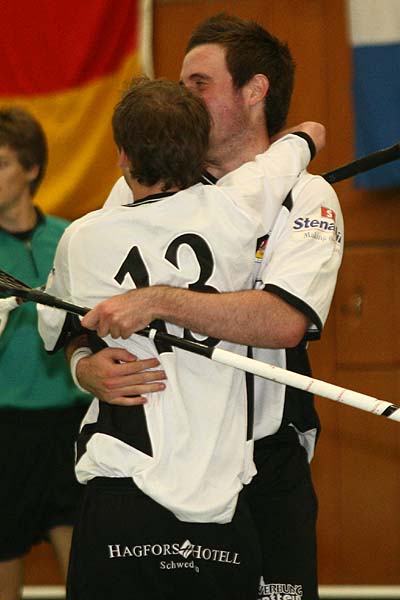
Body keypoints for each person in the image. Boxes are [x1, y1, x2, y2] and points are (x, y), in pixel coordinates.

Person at [73, 14, 344, 600]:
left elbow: (283, 320)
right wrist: (83, 367)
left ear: (254, 91)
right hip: (155, 461)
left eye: (199, 84)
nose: (183, 98)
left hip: (264, 461)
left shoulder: (306, 194)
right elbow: (85, 307)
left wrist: (159, 300)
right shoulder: (134, 185)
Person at [0, 106, 91, 600]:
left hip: (71, 424)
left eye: (1, 163)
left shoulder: (70, 237)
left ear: (31, 167)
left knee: (85, 569)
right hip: (5, 427)